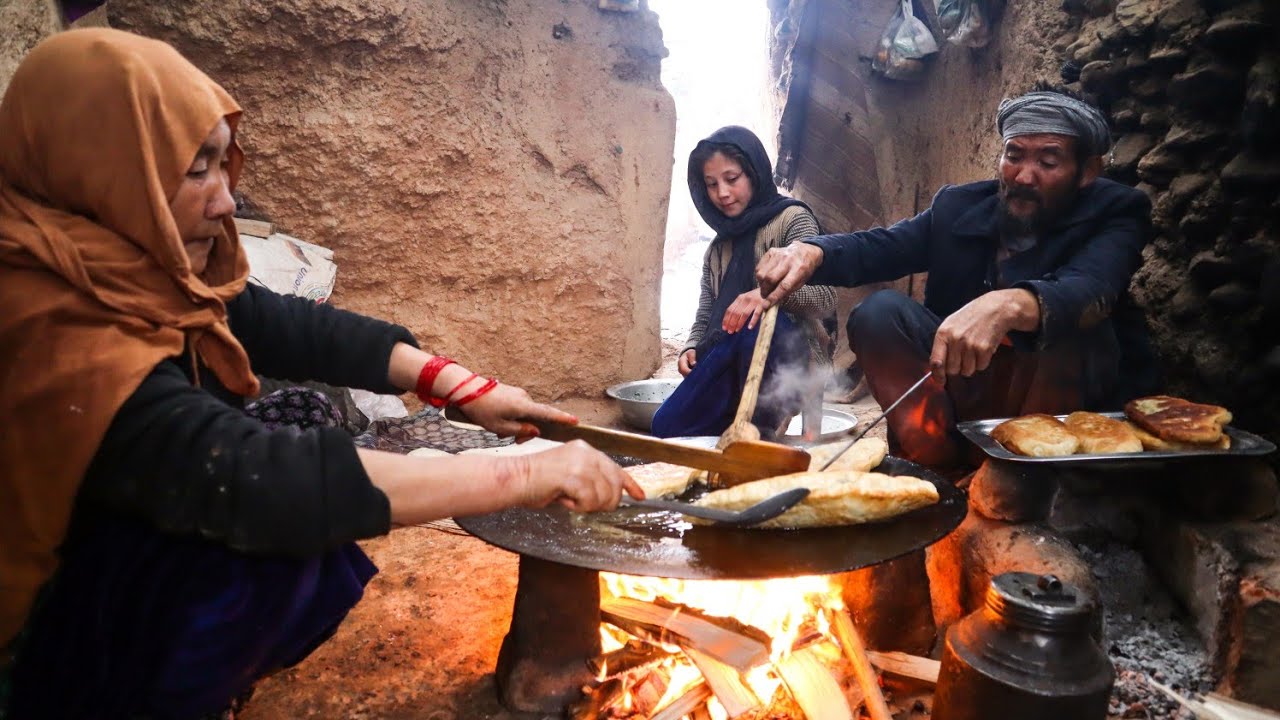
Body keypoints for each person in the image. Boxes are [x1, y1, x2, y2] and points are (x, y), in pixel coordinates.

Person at [0, 29, 642, 718]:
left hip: (122, 532)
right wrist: (522, 475)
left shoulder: (131, 266)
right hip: (39, 621)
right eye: (195, 169)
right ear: (101, 168)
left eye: (224, 163)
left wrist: (461, 387)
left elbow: (286, 325)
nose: (224, 201)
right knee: (274, 528)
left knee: (304, 417)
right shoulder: (49, 322)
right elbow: (255, 475)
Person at [755, 84, 1160, 469]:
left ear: (1087, 170)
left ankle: (1035, 475)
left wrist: (1011, 304)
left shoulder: (1117, 211)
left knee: (1073, 324)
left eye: (1048, 162)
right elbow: (883, 247)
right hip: (965, 390)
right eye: (1014, 155)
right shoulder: (959, 207)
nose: (1023, 175)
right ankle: (935, 459)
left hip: (1057, 406)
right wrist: (813, 251)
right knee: (878, 313)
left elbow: (1093, 287)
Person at [651, 126, 836, 439]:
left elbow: (824, 297)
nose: (722, 193)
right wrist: (692, 346)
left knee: (757, 323)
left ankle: (768, 424)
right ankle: (743, 423)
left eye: (732, 179)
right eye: (711, 184)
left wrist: (766, 296)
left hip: (789, 358)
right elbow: (705, 313)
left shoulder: (792, 219)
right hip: (731, 353)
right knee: (667, 427)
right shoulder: (718, 249)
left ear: (753, 172)